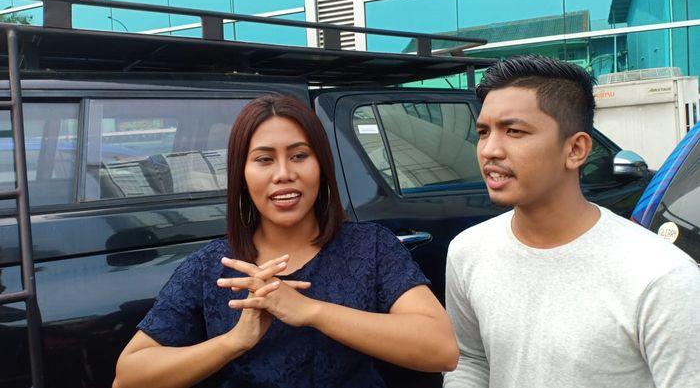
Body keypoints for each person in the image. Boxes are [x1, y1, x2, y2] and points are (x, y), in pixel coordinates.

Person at [113, 95, 457, 388]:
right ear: (242, 174)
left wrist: (312, 311)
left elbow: (441, 349)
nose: (284, 174)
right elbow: (128, 377)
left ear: (321, 165)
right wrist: (235, 341)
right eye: (264, 159)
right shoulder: (212, 267)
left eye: (299, 156)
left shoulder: (371, 247)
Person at [443, 55, 700, 388]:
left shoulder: (662, 277)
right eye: (483, 132)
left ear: (576, 149)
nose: (489, 149)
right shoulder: (467, 251)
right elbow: (470, 360)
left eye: (514, 131)